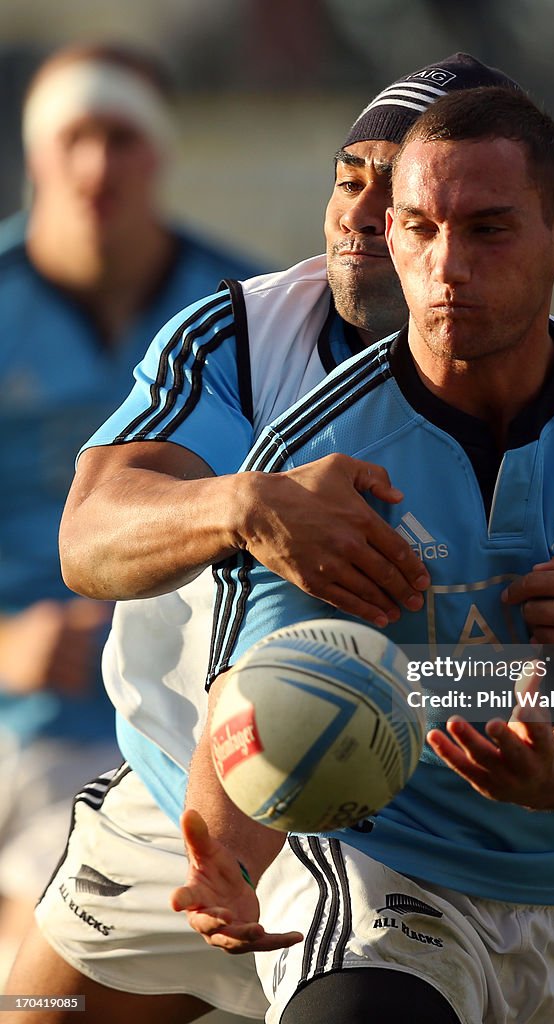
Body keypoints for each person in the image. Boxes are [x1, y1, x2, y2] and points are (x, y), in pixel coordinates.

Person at [172, 86, 554, 1024]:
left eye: (487, 231)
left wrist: (551, 769)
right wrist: (231, 866)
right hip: (374, 864)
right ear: (390, 238)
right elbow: (261, 690)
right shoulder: (314, 451)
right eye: (420, 229)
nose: (447, 268)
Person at [5, 55, 531, 1024]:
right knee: (36, 1005)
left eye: (401, 190)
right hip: (178, 791)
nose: (361, 212)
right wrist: (245, 506)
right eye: (350, 177)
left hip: (399, 820)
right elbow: (93, 535)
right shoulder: (242, 332)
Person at [0, 40, 264, 987]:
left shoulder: (249, 318)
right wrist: (6, 645)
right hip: (11, 712)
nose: (96, 164)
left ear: (162, 154)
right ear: (34, 153)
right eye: (73, 135)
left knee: (34, 985)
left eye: (123, 136)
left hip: (157, 729)